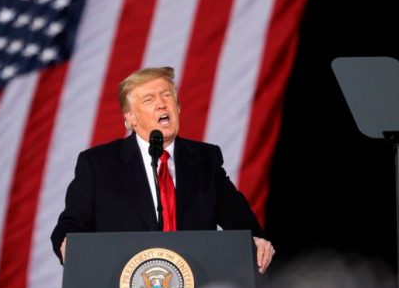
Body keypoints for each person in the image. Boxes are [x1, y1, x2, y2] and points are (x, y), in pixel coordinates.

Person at [51, 67, 274, 273]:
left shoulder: (205, 160)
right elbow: (70, 225)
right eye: (149, 100)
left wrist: (255, 240)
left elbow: (241, 222)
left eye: (167, 96)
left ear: (177, 107)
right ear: (130, 119)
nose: (161, 104)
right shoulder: (99, 164)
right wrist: (69, 243)